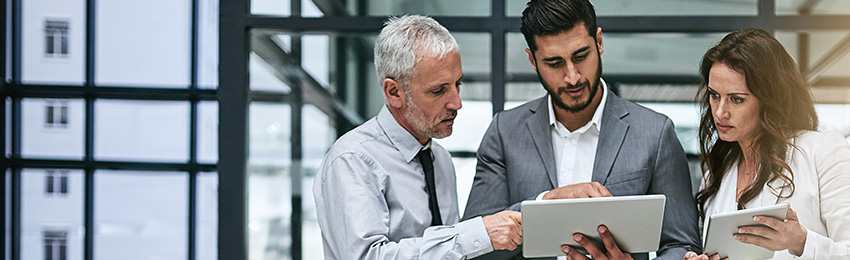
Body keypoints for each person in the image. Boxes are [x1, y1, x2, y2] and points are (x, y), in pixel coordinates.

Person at [461, 0, 701, 259]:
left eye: (580, 56)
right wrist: (545, 203)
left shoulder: (655, 133)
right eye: (554, 63)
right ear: (533, 60)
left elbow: (682, 245)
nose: (572, 76)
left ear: (599, 41)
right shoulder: (503, 132)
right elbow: (473, 247)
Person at [313, 15, 524, 260]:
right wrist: (473, 235)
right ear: (394, 92)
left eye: (458, 84)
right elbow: (366, 257)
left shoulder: (440, 159)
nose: (457, 102)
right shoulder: (353, 159)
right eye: (439, 90)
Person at [683, 28, 850, 260]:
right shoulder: (717, 172)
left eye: (736, 99)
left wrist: (801, 242)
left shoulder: (823, 151)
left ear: (770, 100)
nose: (720, 112)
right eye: (714, 95)